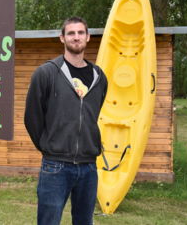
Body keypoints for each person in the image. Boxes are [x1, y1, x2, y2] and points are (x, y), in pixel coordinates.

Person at [24, 16, 108, 225]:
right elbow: (32, 118)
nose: (76, 37)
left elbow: (92, 114)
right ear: (62, 38)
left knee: (84, 221)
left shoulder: (99, 77)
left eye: (80, 33)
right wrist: (48, 145)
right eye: (71, 33)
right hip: (55, 165)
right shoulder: (46, 74)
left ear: (88, 37)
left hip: (89, 166)